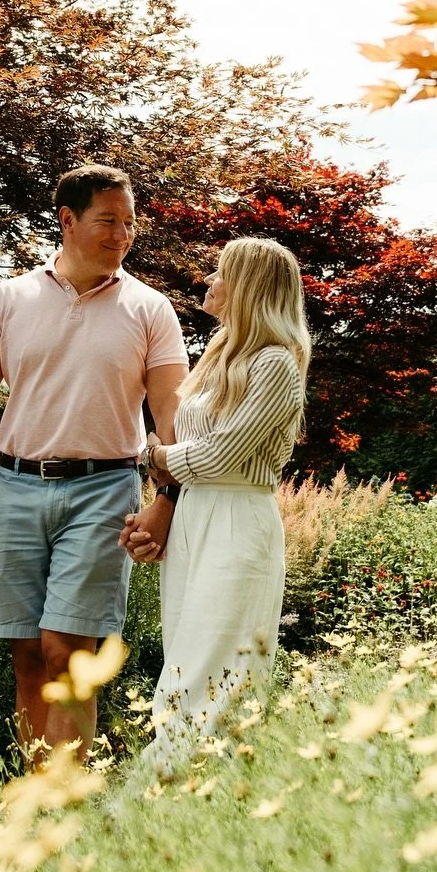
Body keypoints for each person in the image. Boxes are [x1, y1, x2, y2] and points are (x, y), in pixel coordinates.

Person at [0, 164, 188, 754]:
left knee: (69, 651)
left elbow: (173, 415)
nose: (122, 235)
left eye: (130, 223)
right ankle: (37, 803)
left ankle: (63, 807)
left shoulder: (151, 309)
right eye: (108, 221)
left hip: (105, 489)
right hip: (15, 487)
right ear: (67, 221)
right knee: (29, 656)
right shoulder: (11, 298)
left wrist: (168, 496)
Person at [120, 237, 310, 757]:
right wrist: (165, 472)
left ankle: (153, 798)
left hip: (236, 518)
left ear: (247, 287)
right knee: (184, 659)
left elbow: (218, 457)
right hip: (196, 517)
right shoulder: (219, 358)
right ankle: (189, 800)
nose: (208, 281)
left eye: (220, 273)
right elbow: (195, 449)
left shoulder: (275, 364)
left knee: (212, 672)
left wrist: (154, 456)